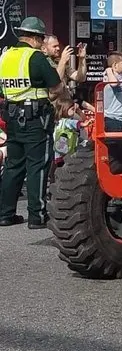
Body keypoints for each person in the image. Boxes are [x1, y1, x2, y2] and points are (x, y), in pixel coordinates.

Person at [0, 17, 63, 228]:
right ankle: (37, 216)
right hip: (35, 119)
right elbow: (56, 87)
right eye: (41, 38)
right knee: (38, 165)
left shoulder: (5, 55)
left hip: (12, 117)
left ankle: (5, 213)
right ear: (36, 38)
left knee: (13, 166)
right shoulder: (35, 57)